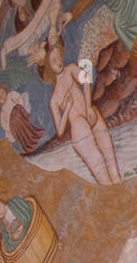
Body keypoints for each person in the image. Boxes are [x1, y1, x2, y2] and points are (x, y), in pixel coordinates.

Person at [44, 37, 122, 184]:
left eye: (58, 57)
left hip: (90, 113)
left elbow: (86, 80)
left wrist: (87, 107)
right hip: (78, 126)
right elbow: (60, 131)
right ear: (49, 67)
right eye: (53, 61)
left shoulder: (70, 69)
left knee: (112, 163)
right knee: (101, 173)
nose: (58, 61)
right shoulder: (54, 99)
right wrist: (66, 109)